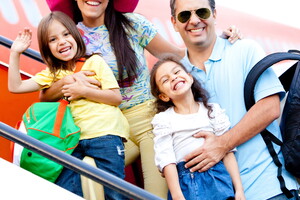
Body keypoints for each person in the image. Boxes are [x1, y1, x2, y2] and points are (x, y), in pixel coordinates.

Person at [42, 0, 242, 198]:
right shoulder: (69, 36)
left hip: (149, 121)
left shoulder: (133, 23)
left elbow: (177, 54)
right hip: (110, 127)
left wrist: (218, 42)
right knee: (87, 176)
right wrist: (69, 81)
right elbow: (46, 94)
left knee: (156, 195)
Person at [169, 0, 299, 199]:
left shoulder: (245, 49)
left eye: (202, 12)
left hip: (268, 187)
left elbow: (270, 108)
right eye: (184, 15)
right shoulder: (176, 74)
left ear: (214, 14)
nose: (194, 21)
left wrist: (222, 144)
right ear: (173, 22)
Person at [8, 11, 129, 199]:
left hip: (104, 134)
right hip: (72, 140)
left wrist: (83, 91)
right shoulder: (52, 73)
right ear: (47, 48)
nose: (62, 41)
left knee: (114, 192)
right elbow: (15, 87)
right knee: (66, 189)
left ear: (75, 36)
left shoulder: (94, 62)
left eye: (66, 34)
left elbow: (115, 97)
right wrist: (15, 53)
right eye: (53, 39)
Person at [150, 55, 245, 200]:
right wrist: (177, 195)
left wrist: (239, 190)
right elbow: (166, 160)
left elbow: (227, 151)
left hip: (219, 178)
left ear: (189, 77)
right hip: (188, 182)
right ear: (163, 96)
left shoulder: (212, 111)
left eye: (176, 72)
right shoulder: (164, 120)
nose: (174, 78)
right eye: (165, 80)